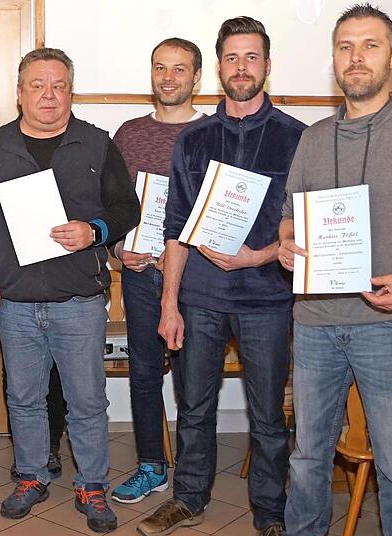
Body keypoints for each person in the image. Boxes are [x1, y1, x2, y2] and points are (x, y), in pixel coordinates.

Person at [278, 4, 392, 535]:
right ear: (334, 59)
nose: (356, 58)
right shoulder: (313, 137)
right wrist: (287, 244)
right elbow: (290, 216)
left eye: (370, 46)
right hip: (314, 324)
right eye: (345, 47)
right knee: (306, 459)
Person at [139, 17, 306, 536]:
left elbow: (306, 224)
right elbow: (174, 227)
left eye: (251, 57)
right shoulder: (193, 139)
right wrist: (169, 304)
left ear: (267, 66)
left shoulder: (297, 138)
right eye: (232, 57)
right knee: (193, 407)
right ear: (218, 67)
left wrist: (258, 258)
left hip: (268, 299)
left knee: (268, 416)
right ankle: (188, 499)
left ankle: (271, 511)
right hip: (200, 297)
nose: (241, 67)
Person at [0, 47, 139, 533]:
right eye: (38, 86)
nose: (49, 95)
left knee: (87, 401)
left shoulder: (96, 143)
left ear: (71, 92)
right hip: (14, 300)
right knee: (24, 398)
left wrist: (95, 231)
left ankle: (92, 484)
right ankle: (31, 476)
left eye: (59, 86)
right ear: (19, 93)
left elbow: (126, 208)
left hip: (78, 300)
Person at [109, 37, 205, 504]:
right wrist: (116, 249)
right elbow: (111, 205)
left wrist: (187, 251)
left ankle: (193, 474)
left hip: (197, 279)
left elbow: (224, 213)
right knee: (144, 374)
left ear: (197, 77)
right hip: (140, 273)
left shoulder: (213, 132)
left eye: (179, 69)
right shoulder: (128, 134)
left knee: (193, 380)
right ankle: (152, 466)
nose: (168, 78)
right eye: (160, 68)